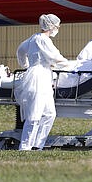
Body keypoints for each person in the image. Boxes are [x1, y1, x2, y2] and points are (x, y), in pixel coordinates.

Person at [15, 14, 68, 150]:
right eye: (57, 26)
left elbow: (20, 50)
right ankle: (25, 147)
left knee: (50, 114)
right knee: (34, 114)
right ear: (51, 26)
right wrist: (69, 66)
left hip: (42, 76)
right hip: (38, 77)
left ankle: (38, 145)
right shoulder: (43, 40)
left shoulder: (33, 38)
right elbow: (55, 57)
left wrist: (25, 65)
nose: (58, 28)